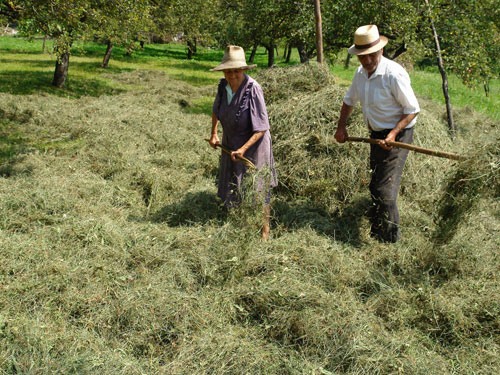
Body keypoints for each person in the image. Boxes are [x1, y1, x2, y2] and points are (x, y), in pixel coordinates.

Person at [334, 25, 420, 243]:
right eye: (363, 56)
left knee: (385, 189)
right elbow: (348, 101)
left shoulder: (393, 74)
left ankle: (391, 240)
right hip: (376, 134)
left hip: (398, 135)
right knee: (375, 184)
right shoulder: (360, 74)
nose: (368, 60)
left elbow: (412, 110)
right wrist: (341, 127)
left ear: (380, 51)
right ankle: (377, 228)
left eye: (372, 55)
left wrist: (393, 134)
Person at [209, 45, 278, 240]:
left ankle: (264, 233)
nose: (232, 75)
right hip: (231, 143)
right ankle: (242, 225)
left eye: (236, 71)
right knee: (234, 184)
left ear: (243, 70)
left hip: (254, 146)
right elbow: (216, 109)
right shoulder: (223, 86)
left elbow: (262, 127)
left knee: (257, 187)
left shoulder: (253, 89)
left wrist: (243, 149)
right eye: (228, 71)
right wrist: (214, 133)